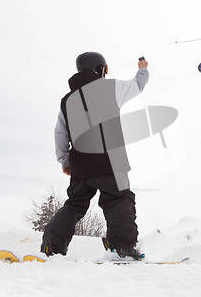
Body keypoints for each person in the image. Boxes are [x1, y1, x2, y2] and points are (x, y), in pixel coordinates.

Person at [41, 51, 149, 260]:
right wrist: (143, 68)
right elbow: (138, 85)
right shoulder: (111, 88)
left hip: (80, 163)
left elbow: (60, 133)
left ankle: (52, 246)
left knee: (74, 204)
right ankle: (122, 248)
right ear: (101, 69)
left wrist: (64, 160)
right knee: (118, 200)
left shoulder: (67, 100)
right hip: (110, 160)